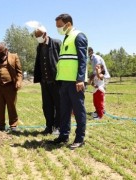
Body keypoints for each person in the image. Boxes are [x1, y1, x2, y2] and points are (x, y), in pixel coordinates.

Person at [49, 13, 88, 150]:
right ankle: (63, 135)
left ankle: (79, 138)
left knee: (78, 111)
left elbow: (83, 60)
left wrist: (80, 79)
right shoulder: (66, 38)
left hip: (75, 82)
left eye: (59, 26)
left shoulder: (79, 36)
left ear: (68, 24)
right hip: (64, 81)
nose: (58, 29)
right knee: (64, 110)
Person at [33, 25, 62, 135]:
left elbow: (62, 61)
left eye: (39, 36)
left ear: (45, 34)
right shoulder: (39, 47)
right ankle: (49, 126)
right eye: (36, 36)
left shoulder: (56, 43)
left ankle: (58, 127)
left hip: (56, 81)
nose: (37, 38)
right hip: (44, 82)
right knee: (47, 106)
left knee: (59, 105)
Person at [0, 42, 22, 132]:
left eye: (1, 50)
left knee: (11, 106)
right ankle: (1, 126)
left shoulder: (14, 56)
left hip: (10, 86)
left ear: (6, 49)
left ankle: (13, 126)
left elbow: (19, 71)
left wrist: (18, 81)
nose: (0, 52)